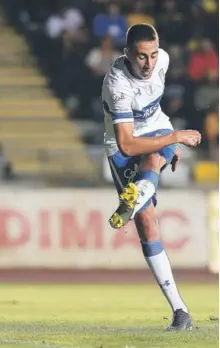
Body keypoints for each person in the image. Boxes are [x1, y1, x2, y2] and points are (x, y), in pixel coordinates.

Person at [101, 24, 202, 331]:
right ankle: (180, 311)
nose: (149, 64)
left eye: (154, 55)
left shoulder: (164, 61)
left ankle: (138, 192)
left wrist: (170, 143)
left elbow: (155, 122)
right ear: (127, 53)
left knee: (154, 155)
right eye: (142, 57)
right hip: (123, 145)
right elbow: (127, 143)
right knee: (146, 224)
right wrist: (177, 138)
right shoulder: (117, 83)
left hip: (157, 130)